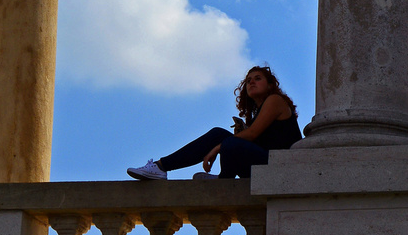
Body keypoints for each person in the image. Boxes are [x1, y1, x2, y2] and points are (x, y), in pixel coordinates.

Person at [127, 65, 301, 180]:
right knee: (220, 134)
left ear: (270, 85)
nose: (251, 82)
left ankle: (223, 179)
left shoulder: (275, 100)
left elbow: (253, 134)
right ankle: (161, 167)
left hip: (281, 170)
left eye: (257, 78)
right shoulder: (257, 112)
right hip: (263, 167)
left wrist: (219, 147)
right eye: (248, 81)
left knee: (227, 141)